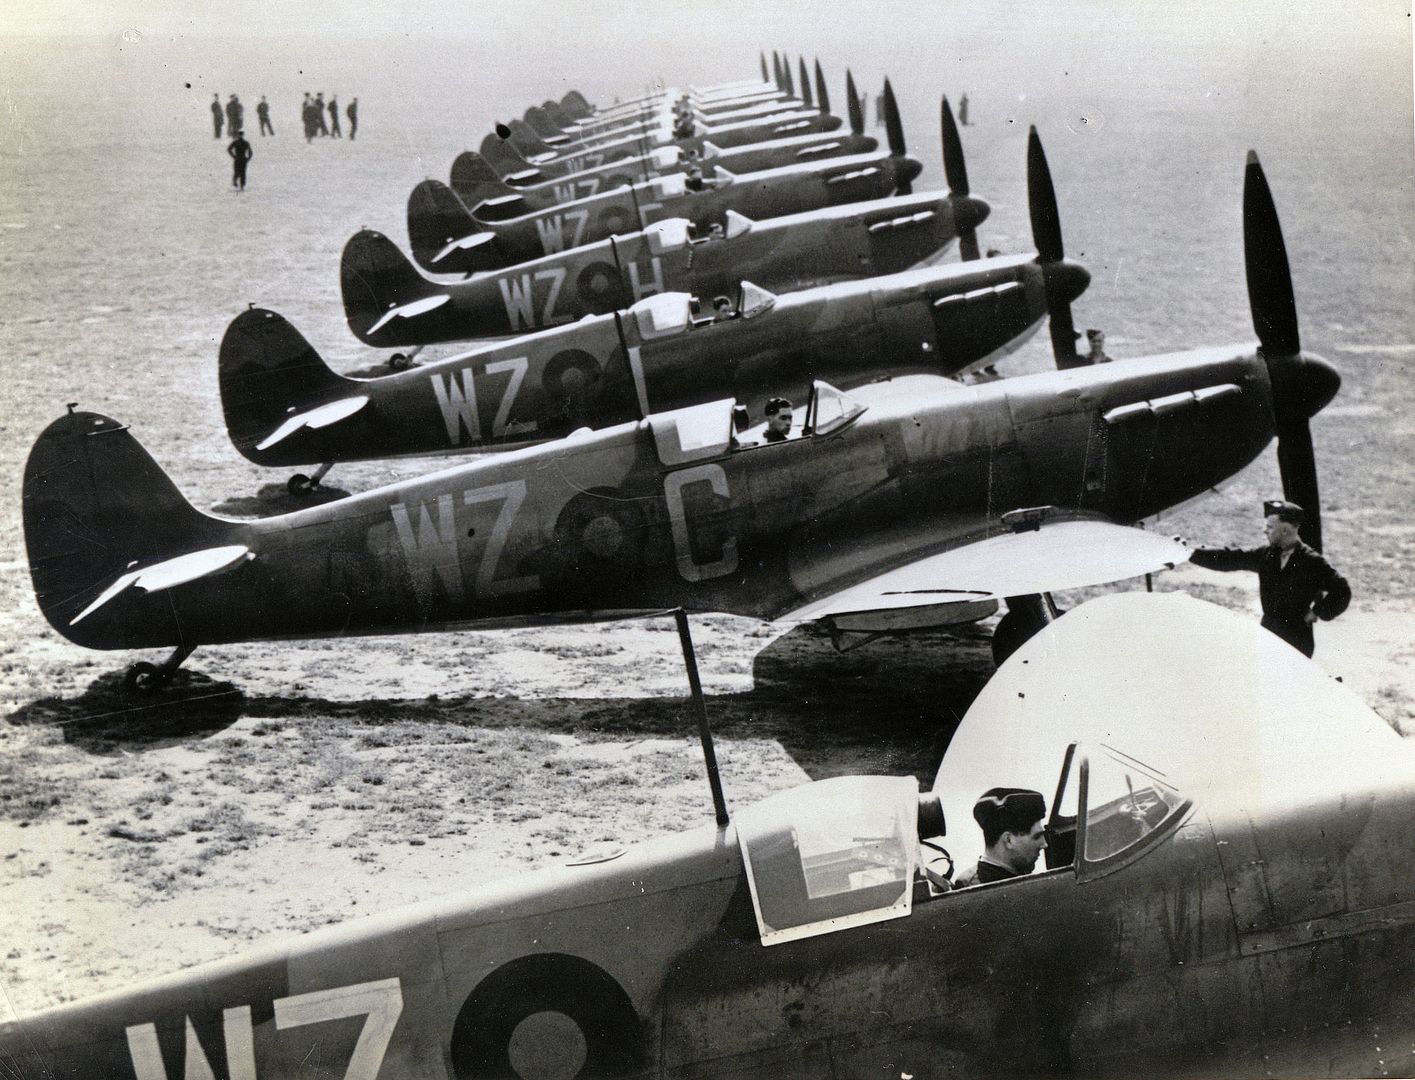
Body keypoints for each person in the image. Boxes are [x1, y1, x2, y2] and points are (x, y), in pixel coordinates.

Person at [1188, 500, 1350, 657]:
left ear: (1285, 530)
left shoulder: (1312, 562)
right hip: (1267, 635)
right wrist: (1190, 553)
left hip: (1297, 641)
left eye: (1270, 527)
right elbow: (1230, 558)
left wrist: (1317, 612)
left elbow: (1342, 590)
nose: (1264, 531)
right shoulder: (1266, 555)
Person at [955, 788, 1048, 887]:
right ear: (1008, 840)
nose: (1044, 844)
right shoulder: (972, 890)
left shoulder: (1014, 876)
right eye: (1037, 837)